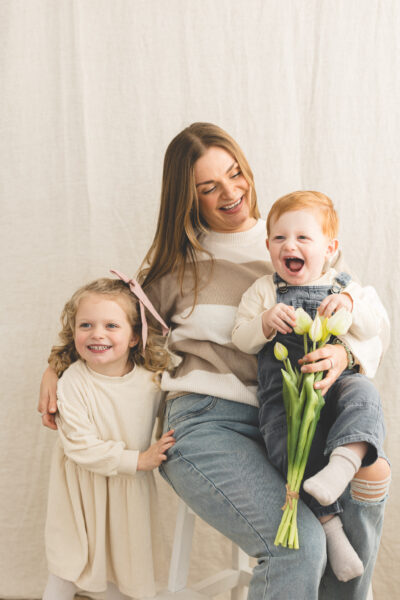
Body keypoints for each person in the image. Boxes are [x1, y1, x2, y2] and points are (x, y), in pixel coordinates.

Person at [39, 123, 391, 600]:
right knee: (299, 545)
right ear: (189, 199)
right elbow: (106, 323)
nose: (231, 192)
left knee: (365, 480)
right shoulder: (172, 269)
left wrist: (344, 352)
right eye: (209, 187)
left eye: (235, 174)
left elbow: (365, 316)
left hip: (293, 419)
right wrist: (56, 364)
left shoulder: (295, 234)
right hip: (206, 422)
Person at [232, 190, 390, 583]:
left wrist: (351, 305)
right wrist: (265, 322)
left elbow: (373, 328)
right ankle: (333, 533)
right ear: (268, 246)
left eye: (303, 238)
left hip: (334, 389)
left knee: (365, 396)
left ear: (330, 248)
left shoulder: (345, 286)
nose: (291, 245)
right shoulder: (264, 292)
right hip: (284, 398)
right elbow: (241, 338)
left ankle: (344, 464)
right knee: (287, 449)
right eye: (280, 238)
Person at [42, 273, 175, 600]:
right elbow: (80, 447)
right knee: (69, 566)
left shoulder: (152, 382)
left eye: (111, 326)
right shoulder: (72, 382)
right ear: (74, 333)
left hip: (128, 489)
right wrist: (138, 460)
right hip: (80, 492)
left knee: (126, 567)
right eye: (85, 325)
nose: (96, 334)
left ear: (134, 336)